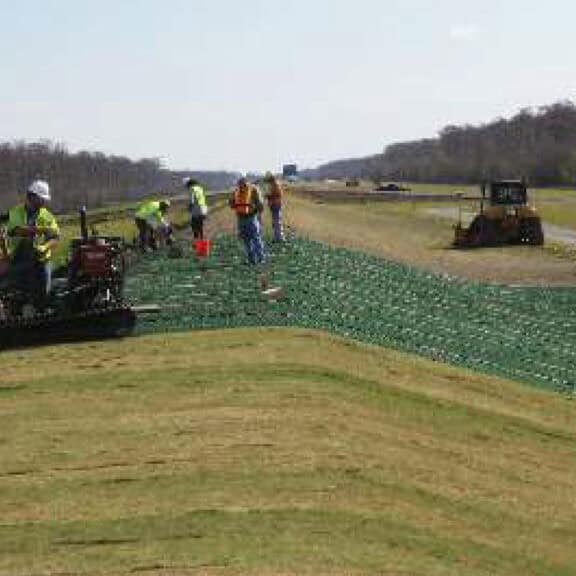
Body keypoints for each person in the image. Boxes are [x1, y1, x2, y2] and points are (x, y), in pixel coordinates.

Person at [6, 180, 60, 309]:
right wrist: (41, 230)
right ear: (32, 196)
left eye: (44, 199)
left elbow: (55, 237)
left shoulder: (48, 216)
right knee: (14, 292)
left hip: (41, 260)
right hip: (18, 259)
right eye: (41, 199)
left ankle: (40, 314)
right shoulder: (16, 212)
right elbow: (16, 230)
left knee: (43, 294)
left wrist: (45, 247)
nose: (44, 202)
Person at [229, 177, 266, 264]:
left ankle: (251, 259)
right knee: (256, 238)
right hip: (251, 217)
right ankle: (261, 258)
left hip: (240, 217)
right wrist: (259, 214)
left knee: (246, 239)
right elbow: (260, 204)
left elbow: (231, 204)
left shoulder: (236, 191)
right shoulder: (254, 189)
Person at [264, 172, 285, 241]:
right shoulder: (274, 185)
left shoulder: (275, 185)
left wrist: (267, 195)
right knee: (275, 221)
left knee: (277, 221)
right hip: (274, 204)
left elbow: (274, 194)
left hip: (276, 204)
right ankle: (277, 236)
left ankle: (279, 237)